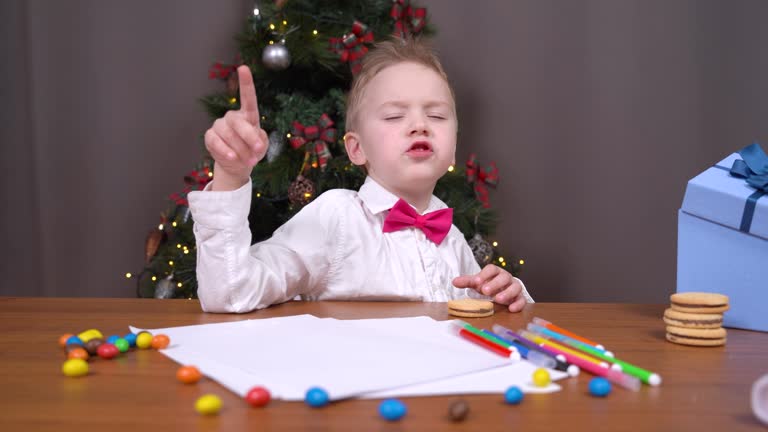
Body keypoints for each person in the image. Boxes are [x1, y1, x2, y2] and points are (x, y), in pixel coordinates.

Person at [188, 39, 533, 313]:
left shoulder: (452, 238)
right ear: (356, 149)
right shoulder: (336, 217)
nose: (419, 125)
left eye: (437, 116)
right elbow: (231, 293)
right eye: (395, 115)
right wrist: (231, 175)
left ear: (453, 149)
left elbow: (486, 320)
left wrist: (509, 296)